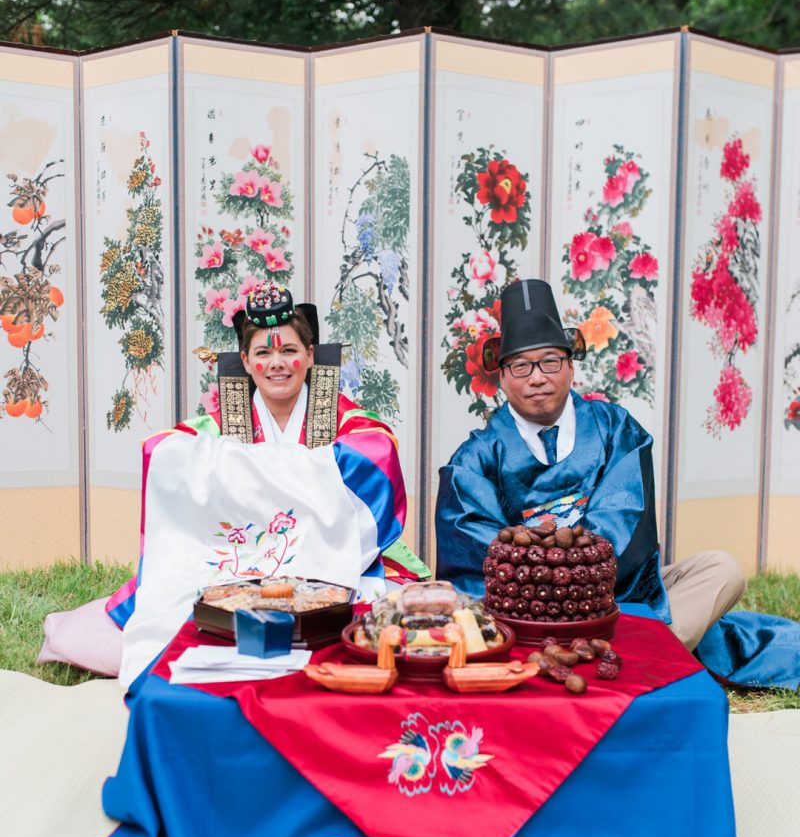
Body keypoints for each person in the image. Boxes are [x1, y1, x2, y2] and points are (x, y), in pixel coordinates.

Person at [42, 282, 427, 680]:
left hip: (329, 559)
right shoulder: (229, 421)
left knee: (380, 613)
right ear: (245, 361)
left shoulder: (338, 416)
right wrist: (294, 467)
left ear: (310, 356)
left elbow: (377, 450)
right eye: (263, 352)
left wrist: (246, 465)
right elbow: (166, 449)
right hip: (247, 562)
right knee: (173, 605)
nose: (277, 363)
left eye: (289, 351)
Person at [435, 278, 745, 653]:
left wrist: (571, 574)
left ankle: (612, 651)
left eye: (550, 361)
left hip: (615, 601)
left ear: (570, 367)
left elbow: (624, 522)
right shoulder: (476, 458)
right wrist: (548, 584)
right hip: (524, 614)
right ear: (501, 377)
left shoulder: (614, 428)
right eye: (520, 366)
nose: (537, 377)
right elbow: (477, 551)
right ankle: (638, 654)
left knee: (721, 569)